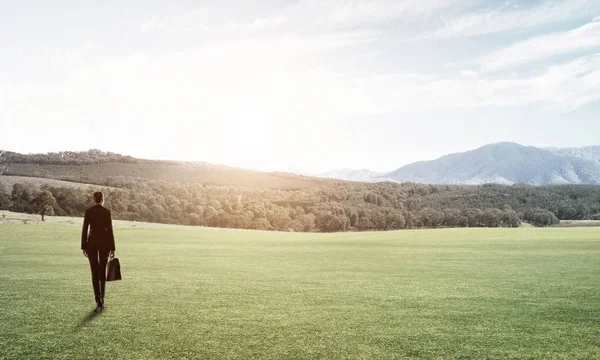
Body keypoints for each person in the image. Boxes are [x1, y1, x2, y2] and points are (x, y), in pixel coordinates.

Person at [81, 191, 116, 313]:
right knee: (102, 272)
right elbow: (110, 230)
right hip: (105, 244)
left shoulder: (89, 212)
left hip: (91, 244)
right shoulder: (107, 212)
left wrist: (84, 246)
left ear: (94, 199)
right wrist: (112, 248)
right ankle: (102, 301)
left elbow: (85, 230)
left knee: (94, 273)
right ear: (103, 200)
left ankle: (98, 301)